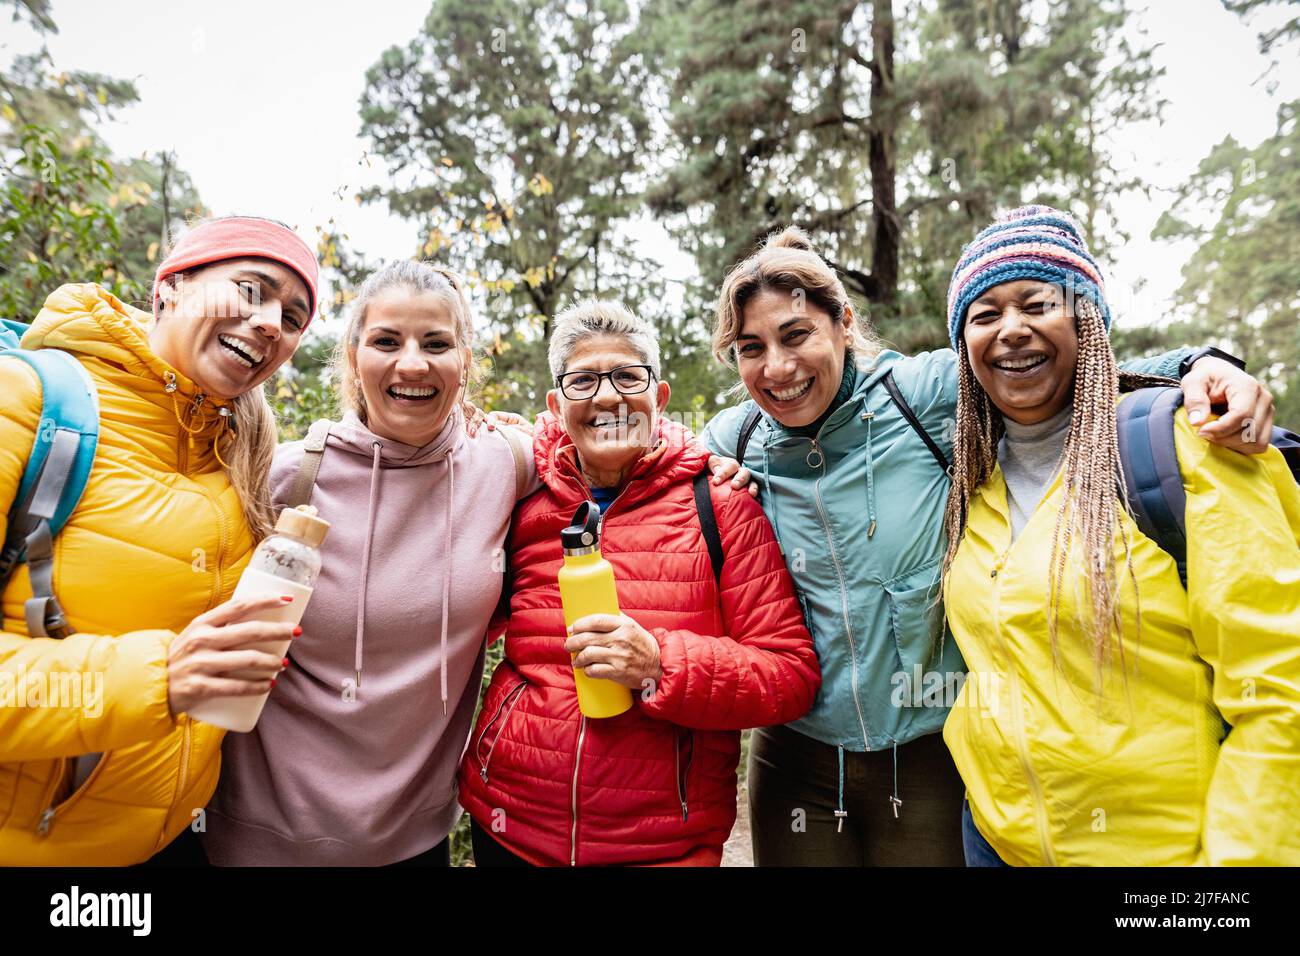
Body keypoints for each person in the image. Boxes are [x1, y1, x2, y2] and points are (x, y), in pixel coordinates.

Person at [699, 224, 1277, 866]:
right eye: (752, 347)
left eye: (798, 335)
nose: (778, 367)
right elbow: (651, 473)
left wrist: (1204, 367)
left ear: (844, 324)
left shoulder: (919, 394)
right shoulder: (737, 437)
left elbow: (1064, 367)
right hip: (800, 749)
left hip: (925, 744)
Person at [939, 204, 1300, 866]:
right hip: (997, 845)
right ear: (964, 347)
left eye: (1038, 303)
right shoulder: (975, 486)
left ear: (1088, 323)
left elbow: (1282, 695)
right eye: (984, 315)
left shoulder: (1186, 449)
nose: (1011, 329)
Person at [0, 215, 318, 865]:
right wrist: (163, 677)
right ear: (171, 285)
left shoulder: (241, 454)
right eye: (252, 290)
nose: (268, 324)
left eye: (291, 318)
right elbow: (168, 676)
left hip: (174, 844)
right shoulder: (28, 404)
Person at [456, 300, 821, 866]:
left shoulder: (720, 506)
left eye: (628, 376)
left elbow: (790, 676)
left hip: (660, 846)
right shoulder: (522, 498)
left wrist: (659, 664)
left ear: (660, 396)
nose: (607, 397)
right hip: (508, 826)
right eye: (583, 381)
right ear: (556, 405)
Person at [204, 260, 539, 866]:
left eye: (436, 343)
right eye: (387, 341)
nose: (412, 363)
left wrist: (724, 468)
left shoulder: (506, 464)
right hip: (265, 837)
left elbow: (611, 449)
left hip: (415, 840)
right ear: (355, 356)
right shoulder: (283, 476)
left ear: (465, 362)